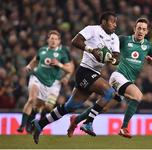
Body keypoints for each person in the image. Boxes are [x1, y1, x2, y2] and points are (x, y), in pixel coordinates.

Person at [31, 11, 120, 144]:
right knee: (109, 92)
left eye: (116, 22)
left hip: (95, 73)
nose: (115, 25)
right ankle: (88, 122)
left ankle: (40, 124)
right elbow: (75, 41)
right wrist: (92, 50)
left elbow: (117, 58)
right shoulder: (92, 29)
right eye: (112, 21)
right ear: (103, 22)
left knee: (70, 106)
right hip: (85, 70)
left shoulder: (115, 38)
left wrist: (111, 59)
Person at [67, 17, 152, 138]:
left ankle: (76, 120)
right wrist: (103, 53)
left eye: (143, 29)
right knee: (137, 96)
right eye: (139, 28)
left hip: (128, 81)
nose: (141, 31)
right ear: (134, 29)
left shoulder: (148, 46)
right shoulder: (123, 40)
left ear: (147, 31)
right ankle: (124, 128)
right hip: (118, 77)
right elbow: (109, 47)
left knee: (104, 108)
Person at [17, 30, 74, 133]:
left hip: (52, 83)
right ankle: (22, 125)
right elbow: (35, 59)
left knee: (46, 106)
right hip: (37, 77)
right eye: (51, 38)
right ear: (48, 40)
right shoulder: (42, 50)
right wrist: (29, 66)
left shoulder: (62, 53)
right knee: (31, 99)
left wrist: (59, 65)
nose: (53, 41)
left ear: (59, 41)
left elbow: (70, 68)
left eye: (56, 39)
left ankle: (36, 122)